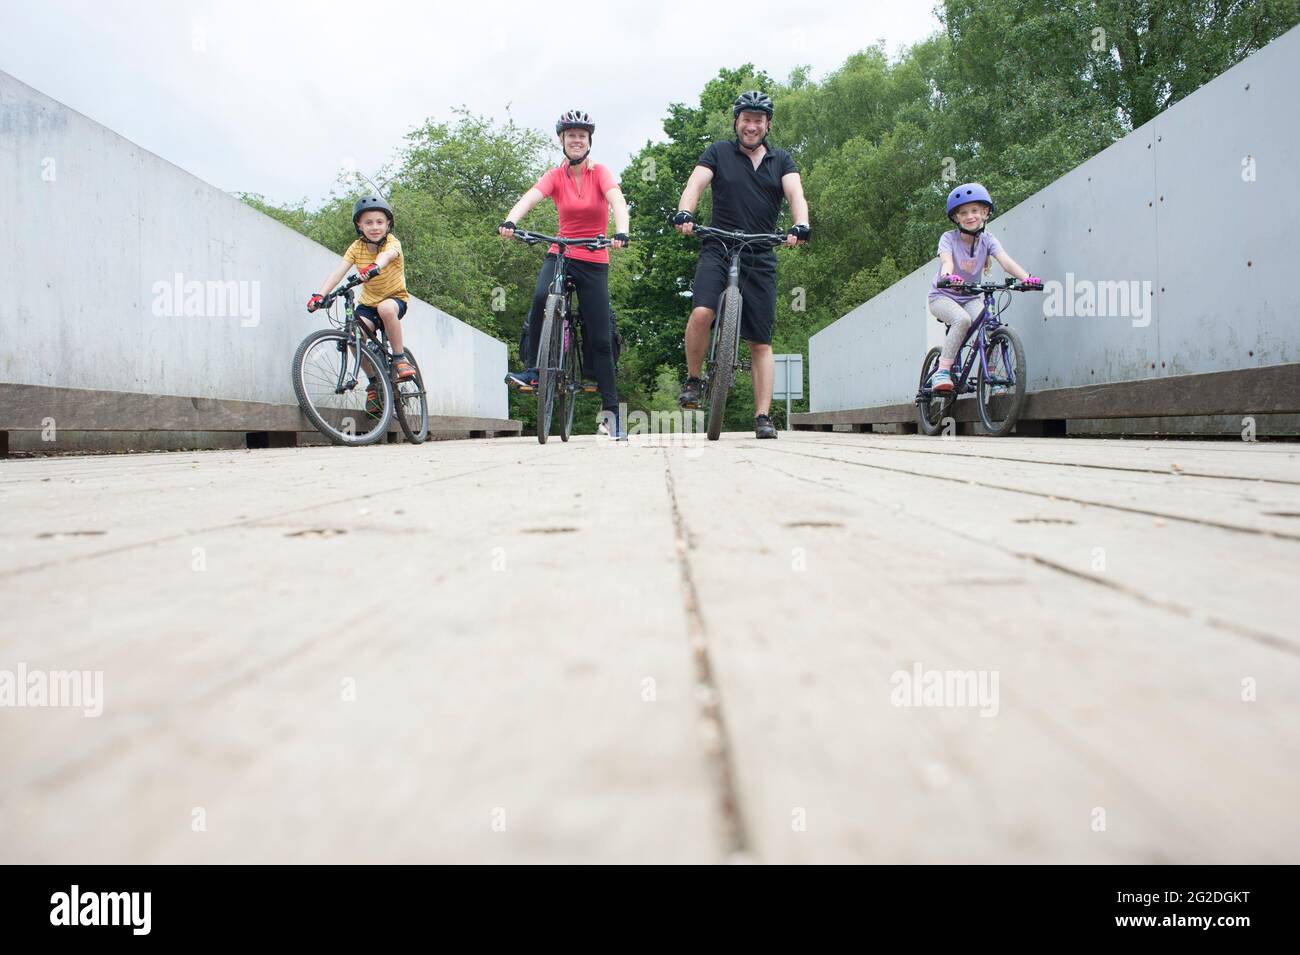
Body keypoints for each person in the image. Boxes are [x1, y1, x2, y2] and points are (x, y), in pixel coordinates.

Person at [672, 90, 810, 439]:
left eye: (758, 120)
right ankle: (693, 378)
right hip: (717, 244)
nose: (752, 125)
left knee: (760, 342)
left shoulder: (782, 160)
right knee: (702, 313)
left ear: (767, 125)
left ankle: (763, 416)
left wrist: (800, 224)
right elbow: (696, 183)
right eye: (746, 119)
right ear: (737, 122)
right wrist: (686, 211)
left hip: (760, 252)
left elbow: (796, 194)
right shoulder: (718, 152)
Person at [500, 110, 630, 438]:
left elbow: (617, 200)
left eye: (582, 136)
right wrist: (511, 220)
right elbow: (531, 197)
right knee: (541, 297)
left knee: (600, 336)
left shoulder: (599, 172)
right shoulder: (555, 176)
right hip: (561, 252)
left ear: (589, 142)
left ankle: (611, 415)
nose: (576, 140)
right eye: (570, 135)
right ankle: (533, 370)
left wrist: (621, 230)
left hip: (594, 255)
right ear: (562, 140)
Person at [928, 183, 1039, 392]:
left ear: (985, 213)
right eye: (963, 213)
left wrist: (1028, 278)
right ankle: (942, 371)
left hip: (969, 296)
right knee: (962, 320)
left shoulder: (988, 239)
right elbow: (947, 261)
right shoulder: (948, 238)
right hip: (942, 296)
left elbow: (1006, 262)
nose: (970, 216)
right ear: (956, 218)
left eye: (975, 211)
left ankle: (994, 376)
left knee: (991, 326)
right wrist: (948, 276)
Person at [307, 195, 413, 414]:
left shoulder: (393, 243)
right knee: (353, 335)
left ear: (388, 224)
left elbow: (387, 256)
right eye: (368, 223)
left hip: (394, 299)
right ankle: (375, 382)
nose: (374, 227)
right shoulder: (356, 248)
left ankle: (400, 358)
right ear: (359, 225)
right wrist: (320, 295)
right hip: (368, 304)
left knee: (385, 308)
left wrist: (374, 267)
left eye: (379, 222)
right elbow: (338, 272)